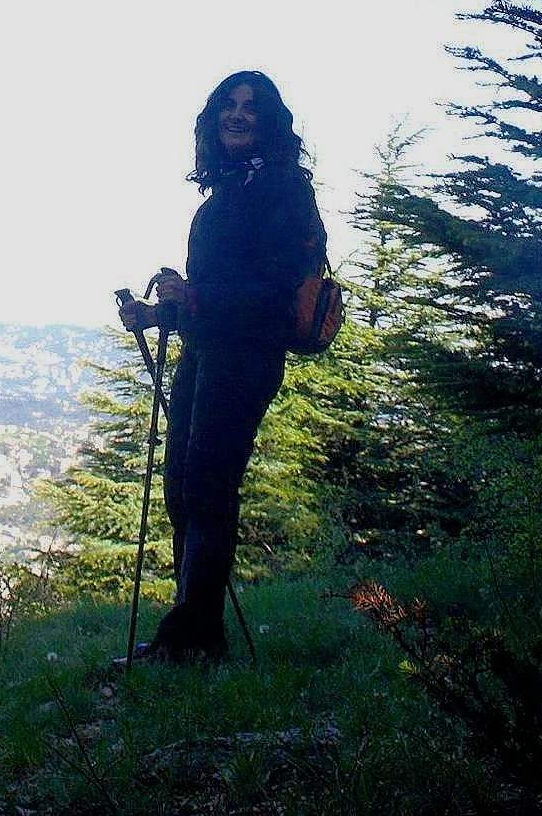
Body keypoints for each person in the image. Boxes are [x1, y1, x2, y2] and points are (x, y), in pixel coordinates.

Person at [117, 70, 327, 663]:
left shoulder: (284, 188)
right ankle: (195, 634)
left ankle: (192, 640)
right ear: (213, 119)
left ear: (268, 124)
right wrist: (160, 314)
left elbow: (276, 290)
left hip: (247, 357)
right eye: (228, 106)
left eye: (251, 109)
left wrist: (194, 298)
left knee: (208, 489)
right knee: (182, 488)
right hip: (208, 352)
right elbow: (209, 296)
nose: (237, 115)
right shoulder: (226, 193)